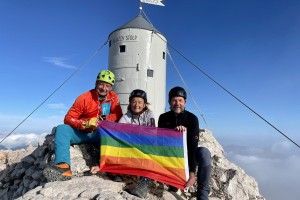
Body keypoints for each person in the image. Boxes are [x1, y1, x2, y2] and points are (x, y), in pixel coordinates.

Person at [44, 70, 123, 182]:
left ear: (111, 87)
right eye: (101, 84)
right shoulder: (85, 97)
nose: (104, 88)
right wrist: (84, 124)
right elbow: (68, 118)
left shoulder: (113, 98)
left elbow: (118, 115)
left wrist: (103, 120)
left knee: (115, 133)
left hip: (100, 134)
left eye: (108, 86)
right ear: (96, 83)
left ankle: (110, 169)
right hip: (82, 132)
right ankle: (63, 167)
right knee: (62, 129)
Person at [90, 89, 155, 198]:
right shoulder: (126, 116)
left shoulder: (149, 115)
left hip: (145, 147)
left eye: (140, 102)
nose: (136, 105)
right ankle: (117, 172)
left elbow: (152, 132)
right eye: (134, 102)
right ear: (130, 102)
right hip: (130, 147)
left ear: (144, 104)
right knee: (117, 146)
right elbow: (118, 133)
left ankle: (145, 183)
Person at [158, 86, 211, 200]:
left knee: (204, 153)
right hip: (172, 157)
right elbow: (161, 142)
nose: (177, 103)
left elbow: (192, 147)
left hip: (188, 155)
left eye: (180, 100)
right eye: (174, 100)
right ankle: (172, 183)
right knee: (173, 187)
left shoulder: (192, 119)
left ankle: (202, 193)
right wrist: (174, 132)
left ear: (185, 102)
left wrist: (192, 173)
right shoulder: (163, 118)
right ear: (169, 102)